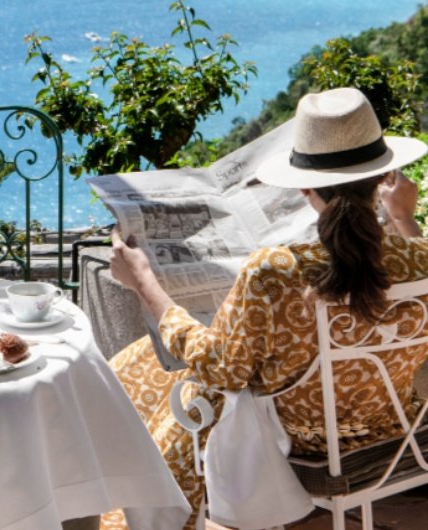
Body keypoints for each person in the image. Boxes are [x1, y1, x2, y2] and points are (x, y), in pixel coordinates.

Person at [100, 87, 428, 530]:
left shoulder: (276, 272)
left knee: (168, 379)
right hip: (397, 433)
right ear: (382, 177)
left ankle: (119, 499)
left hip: (296, 444)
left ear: (305, 187)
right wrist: (404, 219)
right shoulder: (420, 258)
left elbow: (221, 369)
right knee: (145, 360)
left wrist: (144, 283)